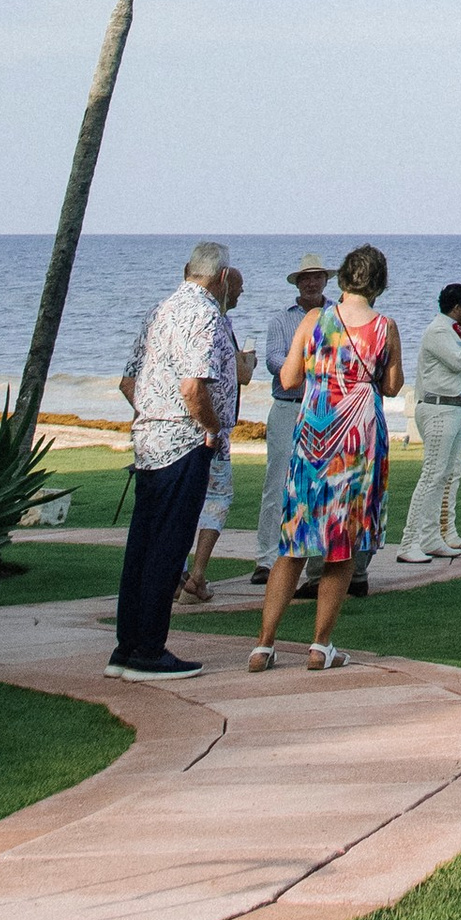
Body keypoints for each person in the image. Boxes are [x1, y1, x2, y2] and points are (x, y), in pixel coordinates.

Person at [251, 243, 398, 671]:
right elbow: (391, 386)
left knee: (294, 540)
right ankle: (320, 645)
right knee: (342, 543)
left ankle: (263, 644)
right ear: (380, 283)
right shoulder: (385, 327)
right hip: (358, 442)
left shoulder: (315, 319)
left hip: (314, 435)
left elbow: (288, 376)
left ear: (341, 279)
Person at [112, 240, 240, 679]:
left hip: (149, 442)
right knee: (168, 547)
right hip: (184, 445)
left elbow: (130, 381)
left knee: (143, 547)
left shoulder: (161, 309)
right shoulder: (204, 313)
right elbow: (192, 386)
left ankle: (127, 649)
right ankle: (149, 651)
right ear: (222, 277)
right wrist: (208, 428)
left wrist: (153, 415)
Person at [252, 254, 333, 583]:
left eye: (317, 277)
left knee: (320, 482)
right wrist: (310, 362)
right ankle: (267, 558)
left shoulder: (336, 316)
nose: (311, 283)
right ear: (297, 283)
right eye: (305, 278)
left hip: (323, 408)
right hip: (287, 405)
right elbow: (273, 360)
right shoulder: (280, 320)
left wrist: (300, 362)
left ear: (325, 280)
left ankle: (315, 557)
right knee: (277, 482)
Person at [178, 268, 256, 606]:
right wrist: (248, 363)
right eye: (237, 286)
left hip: (180, 430)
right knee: (217, 498)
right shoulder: (217, 321)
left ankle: (182, 575)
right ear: (223, 283)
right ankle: (195, 575)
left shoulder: (181, 317)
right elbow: (238, 375)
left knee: (184, 502)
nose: (240, 293)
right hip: (211, 431)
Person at [398, 284, 461, 560]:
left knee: (443, 475)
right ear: (456, 307)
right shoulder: (438, 330)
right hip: (438, 408)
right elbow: (459, 361)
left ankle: (431, 537)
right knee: (432, 474)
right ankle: (409, 542)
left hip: (453, 408)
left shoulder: (454, 331)